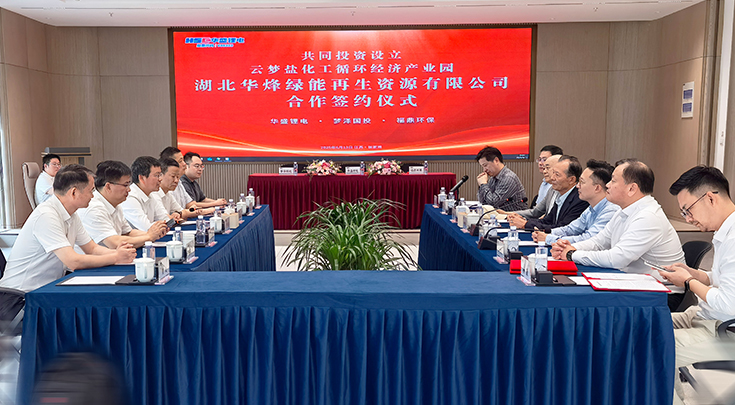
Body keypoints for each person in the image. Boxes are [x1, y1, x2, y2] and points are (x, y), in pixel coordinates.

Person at [551, 158, 685, 309]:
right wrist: (569, 247)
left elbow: (617, 259)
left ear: (632, 189)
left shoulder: (648, 216)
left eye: (613, 181)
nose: (607, 185)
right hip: (636, 284)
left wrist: (572, 254)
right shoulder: (624, 210)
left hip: (661, 295)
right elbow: (599, 242)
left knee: (584, 303)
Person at [657, 166, 735, 402]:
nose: (688, 219)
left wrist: (688, 281)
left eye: (688, 210)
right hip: (707, 316)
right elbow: (721, 279)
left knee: (653, 349)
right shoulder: (725, 230)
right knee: (649, 322)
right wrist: (696, 274)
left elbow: (729, 303)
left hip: (725, 330)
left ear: (710, 198)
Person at [0, 164, 136, 292]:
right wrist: (115, 257)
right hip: (20, 295)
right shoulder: (46, 215)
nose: (93, 195)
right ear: (74, 192)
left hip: (48, 287)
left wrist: (120, 254)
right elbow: (73, 261)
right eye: (91, 191)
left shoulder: (72, 214)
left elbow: (92, 248)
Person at [77, 160, 167, 249]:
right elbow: (114, 242)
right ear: (108, 187)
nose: (129, 189)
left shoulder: (116, 204)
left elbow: (128, 233)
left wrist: (154, 233)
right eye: (125, 185)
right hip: (96, 257)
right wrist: (149, 237)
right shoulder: (94, 208)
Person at [532, 159, 620, 244]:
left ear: (597, 188)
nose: (578, 186)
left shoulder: (610, 210)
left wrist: (549, 238)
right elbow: (571, 229)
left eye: (582, 182)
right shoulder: (591, 208)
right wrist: (546, 232)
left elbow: (588, 239)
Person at [508, 155, 588, 232]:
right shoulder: (561, 195)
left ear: (571, 180)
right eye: (553, 173)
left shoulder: (580, 199)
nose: (552, 178)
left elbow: (561, 228)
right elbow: (547, 221)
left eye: (557, 175)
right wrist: (524, 221)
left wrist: (526, 224)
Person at [120, 156, 174, 231]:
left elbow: (166, 220)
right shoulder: (130, 197)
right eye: (157, 175)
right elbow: (147, 228)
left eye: (160, 175)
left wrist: (162, 223)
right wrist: (160, 224)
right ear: (142, 178)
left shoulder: (151, 194)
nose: (160, 179)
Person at [506, 155, 561, 220]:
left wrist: (527, 224)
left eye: (547, 168)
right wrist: (508, 213)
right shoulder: (551, 190)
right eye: (544, 168)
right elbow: (535, 212)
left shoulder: (564, 192)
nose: (544, 171)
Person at [475, 146, 527, 211]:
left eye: (485, 165)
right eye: (482, 166)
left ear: (496, 160)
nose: (484, 170)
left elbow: (493, 203)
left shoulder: (508, 178)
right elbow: (483, 201)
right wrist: (481, 186)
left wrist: (483, 184)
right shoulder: (493, 178)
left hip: (514, 215)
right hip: (499, 215)